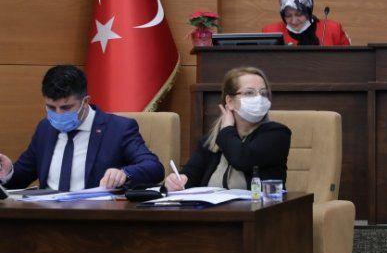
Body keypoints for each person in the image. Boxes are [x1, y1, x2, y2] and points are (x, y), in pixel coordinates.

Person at [0, 65, 163, 190]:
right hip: (48, 217)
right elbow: (23, 176)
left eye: (66, 108)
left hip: (94, 217)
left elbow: (154, 167)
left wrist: (124, 174)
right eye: (51, 107)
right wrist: (8, 173)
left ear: (85, 102)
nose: (58, 114)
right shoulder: (45, 128)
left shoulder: (118, 129)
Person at [165, 66, 290, 191]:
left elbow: (243, 159)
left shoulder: (277, 134)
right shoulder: (210, 142)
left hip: (258, 204)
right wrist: (175, 181)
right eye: (249, 93)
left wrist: (226, 130)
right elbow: (190, 177)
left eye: (263, 93)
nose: (259, 98)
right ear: (230, 101)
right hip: (213, 204)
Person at [262, 0, 350, 46]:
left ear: (308, 11)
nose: (294, 20)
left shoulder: (332, 29)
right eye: (288, 15)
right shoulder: (270, 32)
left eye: (299, 14)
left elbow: (348, 59)